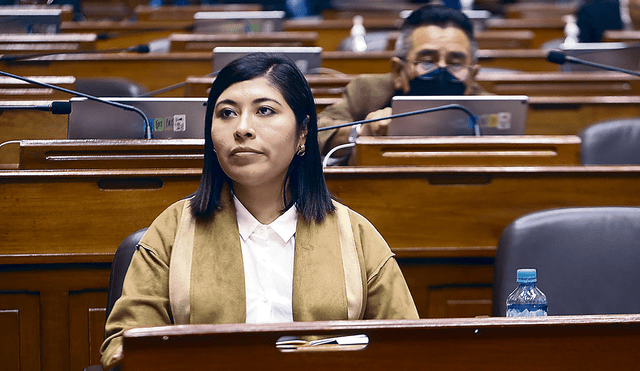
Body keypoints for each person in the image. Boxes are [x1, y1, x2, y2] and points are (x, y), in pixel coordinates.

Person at [100, 53, 419, 370]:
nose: (242, 129)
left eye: (264, 111)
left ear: (303, 132)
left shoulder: (355, 235)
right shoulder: (172, 230)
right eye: (226, 113)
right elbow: (124, 345)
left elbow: (409, 347)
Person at [317, 4, 487, 164]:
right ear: (398, 70)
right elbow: (319, 129)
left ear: (473, 74)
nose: (442, 69)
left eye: (455, 63)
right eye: (427, 61)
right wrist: (361, 131)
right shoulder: (368, 90)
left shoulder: (492, 107)